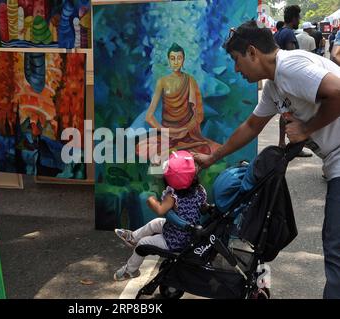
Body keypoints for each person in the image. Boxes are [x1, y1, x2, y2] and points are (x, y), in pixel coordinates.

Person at [195, 21, 340, 299]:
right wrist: (212, 157)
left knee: (335, 249)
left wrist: (307, 129)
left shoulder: (289, 67)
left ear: (252, 52)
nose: (236, 69)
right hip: (334, 160)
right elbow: (251, 126)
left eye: (237, 61)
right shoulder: (275, 85)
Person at [113, 150, 207, 281]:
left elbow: (160, 210)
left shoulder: (172, 196)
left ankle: (130, 271)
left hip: (174, 241)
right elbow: (202, 207)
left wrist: (151, 201)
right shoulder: (200, 190)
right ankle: (132, 237)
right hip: (187, 234)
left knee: (143, 244)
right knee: (156, 223)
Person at [137, 43, 220, 161]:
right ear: (169, 60)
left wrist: (185, 130)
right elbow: (149, 117)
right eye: (172, 58)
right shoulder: (162, 82)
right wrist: (166, 130)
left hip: (187, 134)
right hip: (167, 134)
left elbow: (197, 115)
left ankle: (179, 149)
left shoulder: (190, 80)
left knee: (209, 148)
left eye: (179, 58)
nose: (176, 62)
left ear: (183, 60)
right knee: (144, 148)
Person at [274, 5, 312, 157]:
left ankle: (282, 142)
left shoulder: (278, 33)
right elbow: (291, 57)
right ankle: (295, 146)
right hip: (289, 80)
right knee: (294, 114)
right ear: (294, 18)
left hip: (279, 79)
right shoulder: (289, 33)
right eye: (298, 17)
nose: (299, 20)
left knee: (285, 112)